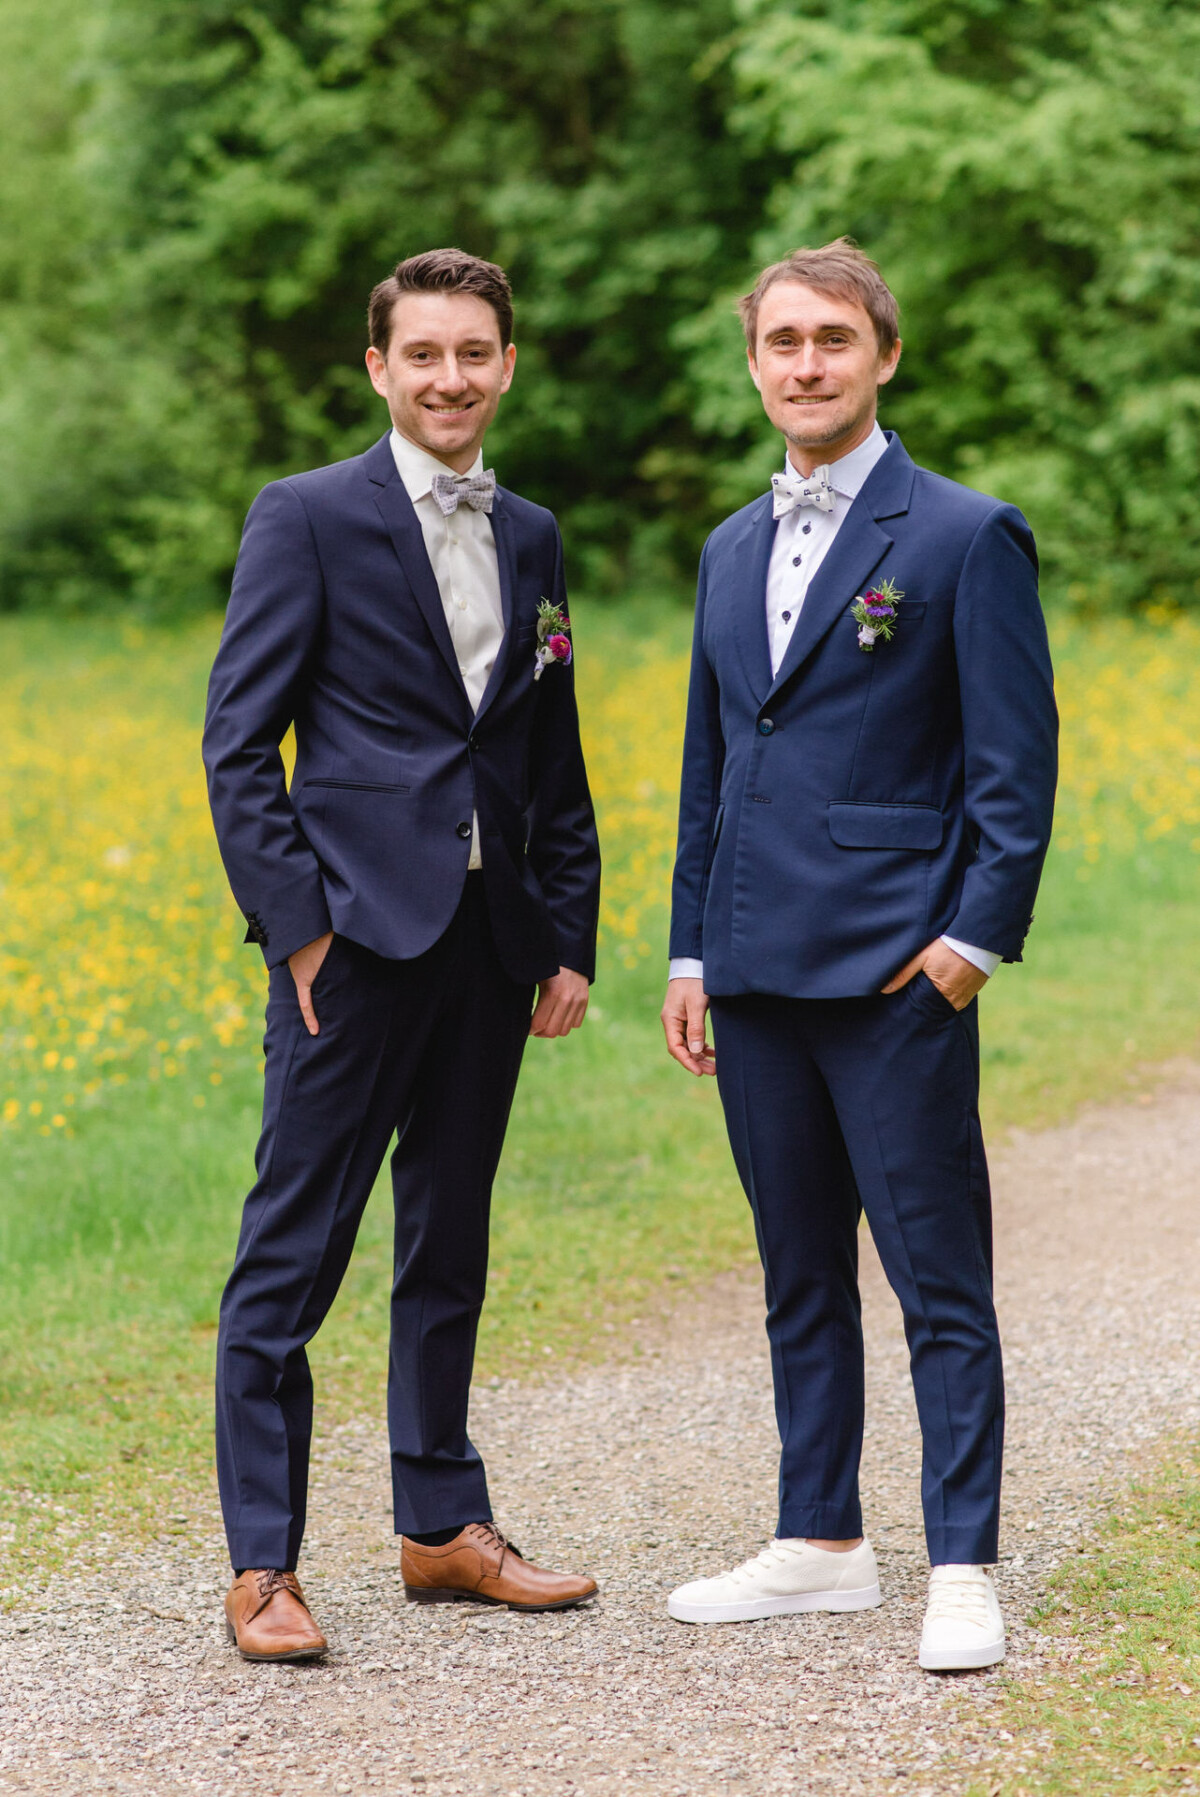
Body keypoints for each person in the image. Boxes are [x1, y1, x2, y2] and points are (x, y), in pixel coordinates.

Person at [660, 239, 1056, 1671]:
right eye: (782, 342)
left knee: (938, 1276)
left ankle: (964, 1560)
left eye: (834, 338)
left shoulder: (963, 535)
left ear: (883, 355)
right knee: (795, 1270)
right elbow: (713, 768)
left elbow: (1014, 771)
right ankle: (818, 1538)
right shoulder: (727, 546)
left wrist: (969, 945)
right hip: (754, 972)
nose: (806, 363)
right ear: (754, 363)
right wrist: (688, 951)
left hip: (900, 972)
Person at [203, 248, 601, 1662]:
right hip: (350, 945)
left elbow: (546, 748)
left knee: (450, 1240)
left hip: (492, 949)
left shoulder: (535, 532)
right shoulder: (304, 517)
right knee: (291, 1254)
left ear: (505, 365)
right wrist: (298, 928)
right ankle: (265, 1568)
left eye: (474, 353)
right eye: (423, 354)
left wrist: (568, 933)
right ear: (379, 367)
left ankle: (440, 1528)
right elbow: (240, 743)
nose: (451, 377)